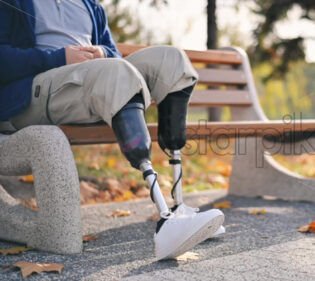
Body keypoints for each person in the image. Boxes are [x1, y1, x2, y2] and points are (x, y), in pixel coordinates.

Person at [0, 0, 225, 260]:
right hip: (31, 94)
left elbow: (114, 54)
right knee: (116, 73)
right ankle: (166, 221)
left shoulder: (89, 5)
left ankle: (179, 206)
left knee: (171, 60)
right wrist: (60, 57)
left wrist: (102, 53)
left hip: (92, 82)